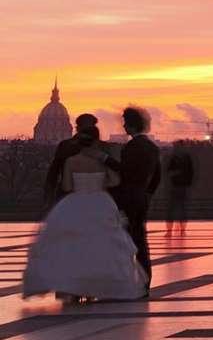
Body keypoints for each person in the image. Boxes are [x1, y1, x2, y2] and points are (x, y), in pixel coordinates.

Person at [23, 117, 147, 301]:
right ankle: (95, 287)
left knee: (72, 247)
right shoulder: (102, 157)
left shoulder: (70, 158)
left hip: (75, 202)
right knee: (101, 246)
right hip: (100, 202)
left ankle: (73, 288)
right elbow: (115, 180)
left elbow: (66, 184)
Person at [112, 106, 162, 293]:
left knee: (126, 241)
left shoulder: (131, 147)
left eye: (126, 123)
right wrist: (148, 193)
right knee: (140, 240)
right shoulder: (152, 147)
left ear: (132, 125)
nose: (124, 126)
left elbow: (124, 173)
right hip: (142, 196)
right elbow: (157, 176)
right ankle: (144, 281)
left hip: (129, 197)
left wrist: (106, 161)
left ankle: (129, 281)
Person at [42, 112, 99, 208]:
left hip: (67, 196)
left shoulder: (65, 145)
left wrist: (48, 198)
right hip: (90, 198)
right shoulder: (100, 147)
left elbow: (53, 174)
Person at [165, 141, 195, 238]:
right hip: (182, 187)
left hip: (177, 186)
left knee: (173, 209)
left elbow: (169, 172)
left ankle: (170, 230)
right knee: (181, 209)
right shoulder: (187, 159)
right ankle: (181, 230)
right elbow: (191, 173)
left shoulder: (175, 158)